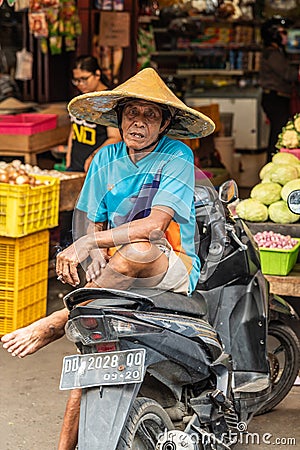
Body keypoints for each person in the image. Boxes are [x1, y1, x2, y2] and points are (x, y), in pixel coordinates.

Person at [1, 67, 215, 450]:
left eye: (151, 115)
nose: (139, 122)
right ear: (119, 118)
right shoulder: (105, 160)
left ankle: (56, 321)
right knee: (91, 357)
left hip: (167, 265)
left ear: (165, 122)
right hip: (117, 270)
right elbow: (88, 218)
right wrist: (92, 251)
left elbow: (154, 225)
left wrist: (91, 243)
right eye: (132, 112)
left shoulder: (177, 155)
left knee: (137, 249)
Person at [66, 55, 121, 172]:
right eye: (76, 80)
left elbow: (115, 137)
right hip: (75, 165)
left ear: (97, 74)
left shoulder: (108, 101)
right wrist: (68, 157)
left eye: (84, 79)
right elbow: (74, 129)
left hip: (97, 167)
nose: (80, 84)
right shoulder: (80, 98)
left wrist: (94, 157)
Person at [259, 16, 299, 162]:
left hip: (277, 98)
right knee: (278, 134)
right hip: (275, 98)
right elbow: (288, 74)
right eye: (283, 33)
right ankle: (273, 162)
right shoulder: (273, 53)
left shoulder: (277, 52)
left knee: (278, 132)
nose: (286, 36)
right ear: (274, 35)